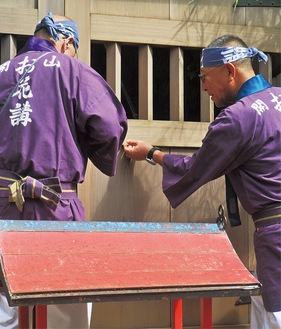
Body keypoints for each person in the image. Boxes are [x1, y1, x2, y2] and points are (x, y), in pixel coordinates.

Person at [123, 34, 281, 329]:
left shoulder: (238, 118)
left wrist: (152, 154)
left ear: (230, 71)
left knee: (275, 314)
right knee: (262, 304)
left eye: (206, 77)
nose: (204, 86)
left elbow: (193, 168)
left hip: (276, 235)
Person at [0, 12, 127, 329]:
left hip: (4, 206)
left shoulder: (2, 72)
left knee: (4, 306)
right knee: (65, 303)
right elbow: (110, 126)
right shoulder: (72, 70)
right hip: (56, 206)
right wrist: (85, 145)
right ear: (67, 42)